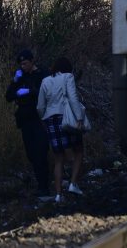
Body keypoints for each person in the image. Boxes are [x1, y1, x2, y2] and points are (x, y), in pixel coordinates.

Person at [37, 57, 86, 202]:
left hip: (51, 119)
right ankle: (73, 183)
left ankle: (58, 195)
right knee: (78, 150)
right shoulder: (68, 77)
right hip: (67, 118)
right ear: (67, 68)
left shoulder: (45, 81)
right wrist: (79, 118)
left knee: (58, 158)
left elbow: (40, 106)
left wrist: (44, 120)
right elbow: (72, 97)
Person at [5, 49, 51, 200]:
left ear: (32, 61)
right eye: (21, 64)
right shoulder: (21, 76)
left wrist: (30, 91)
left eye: (25, 63)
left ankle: (44, 186)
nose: (23, 66)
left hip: (40, 119)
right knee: (31, 154)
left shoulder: (42, 74)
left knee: (40, 153)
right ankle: (43, 182)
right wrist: (15, 82)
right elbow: (9, 96)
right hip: (25, 120)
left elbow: (47, 93)